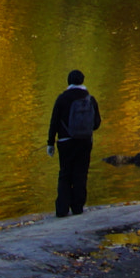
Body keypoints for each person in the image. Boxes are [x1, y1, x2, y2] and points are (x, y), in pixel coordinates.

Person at [45, 70, 101, 218]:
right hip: (85, 141)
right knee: (81, 173)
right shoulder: (90, 99)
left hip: (65, 142)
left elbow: (54, 122)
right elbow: (96, 124)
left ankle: (62, 209)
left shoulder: (62, 99)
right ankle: (78, 207)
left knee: (65, 174)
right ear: (82, 81)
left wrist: (50, 143)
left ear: (68, 81)